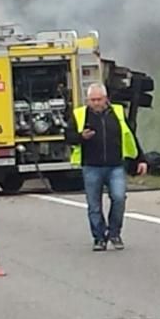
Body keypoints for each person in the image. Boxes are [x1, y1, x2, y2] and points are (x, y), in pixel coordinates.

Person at [65, 83, 148, 251]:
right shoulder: (80, 115)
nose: (96, 103)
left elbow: (130, 136)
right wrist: (81, 137)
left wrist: (141, 158)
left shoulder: (117, 113)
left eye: (99, 99)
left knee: (119, 198)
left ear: (106, 99)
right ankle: (99, 237)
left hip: (115, 165)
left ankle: (114, 233)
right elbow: (68, 137)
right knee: (94, 205)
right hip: (91, 166)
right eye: (92, 100)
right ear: (88, 100)